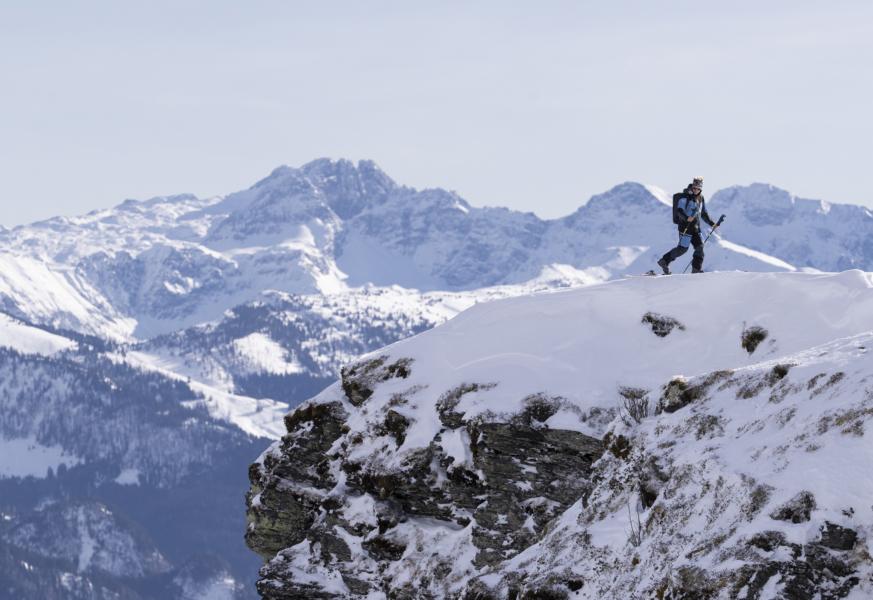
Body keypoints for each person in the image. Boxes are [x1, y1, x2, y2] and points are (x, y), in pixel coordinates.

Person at [657, 177, 719, 274]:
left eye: (698, 188)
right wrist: (686, 218)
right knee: (682, 249)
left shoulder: (701, 198)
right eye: (694, 188)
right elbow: (679, 211)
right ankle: (664, 261)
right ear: (692, 186)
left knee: (700, 248)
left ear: (700, 189)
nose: (695, 190)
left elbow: (703, 214)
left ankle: (696, 270)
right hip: (685, 227)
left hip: (696, 228)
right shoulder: (684, 197)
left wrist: (712, 224)